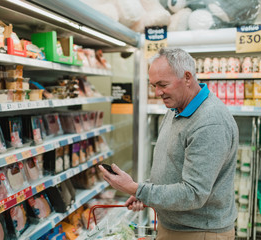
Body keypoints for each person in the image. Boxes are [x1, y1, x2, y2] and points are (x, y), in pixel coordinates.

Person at [99, 48, 238, 240]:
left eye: (163, 84)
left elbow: (193, 194)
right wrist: (145, 192)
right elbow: (173, 166)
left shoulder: (209, 122)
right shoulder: (176, 109)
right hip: (174, 226)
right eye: (154, 85)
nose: (157, 92)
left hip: (200, 232)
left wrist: (136, 189)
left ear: (187, 77)